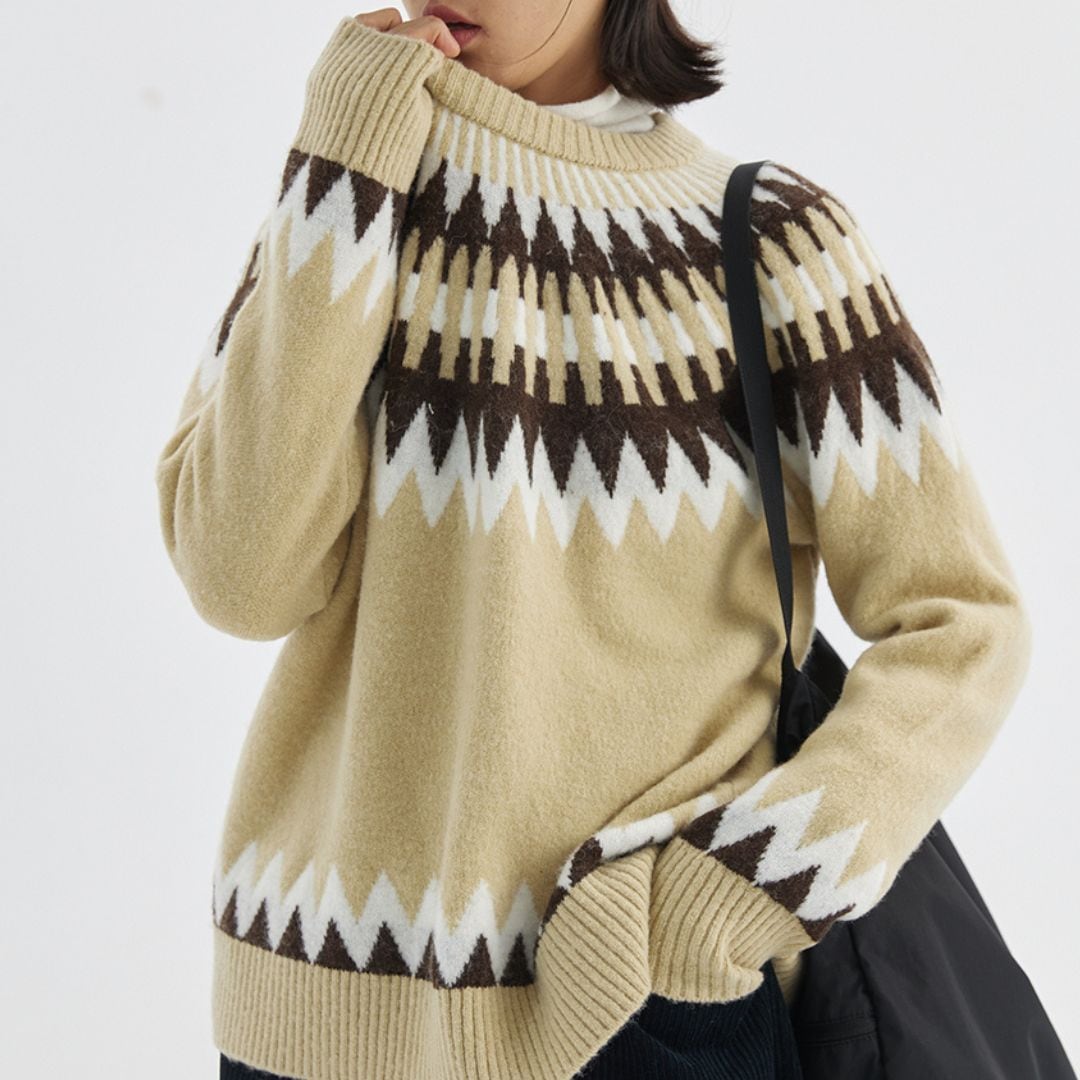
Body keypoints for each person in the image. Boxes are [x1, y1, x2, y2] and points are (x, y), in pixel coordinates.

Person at [153, 2, 1032, 1078]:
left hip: (643, 1007)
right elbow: (239, 578)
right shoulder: (360, 197)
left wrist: (740, 887)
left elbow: (962, 624)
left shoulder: (770, 245)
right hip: (321, 993)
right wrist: (339, 164)